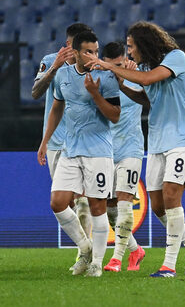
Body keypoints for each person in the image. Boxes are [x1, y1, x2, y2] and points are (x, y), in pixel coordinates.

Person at [85, 22, 185, 278]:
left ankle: (169, 266)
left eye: (131, 47)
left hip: (182, 138)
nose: (129, 53)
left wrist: (109, 66)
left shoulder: (176, 58)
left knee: (172, 196)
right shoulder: (146, 67)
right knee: (159, 206)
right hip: (158, 140)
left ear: (143, 43)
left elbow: (148, 79)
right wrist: (122, 84)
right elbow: (147, 97)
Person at [37, 30, 121, 277]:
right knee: (58, 202)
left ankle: (96, 263)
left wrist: (95, 94)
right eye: (88, 51)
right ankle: (85, 248)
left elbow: (115, 115)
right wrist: (45, 141)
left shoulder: (105, 76)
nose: (94, 56)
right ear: (74, 52)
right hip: (70, 150)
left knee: (97, 206)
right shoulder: (62, 74)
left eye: (96, 51)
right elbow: (56, 108)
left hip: (98, 151)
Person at [32, 23, 94, 263]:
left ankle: (84, 255)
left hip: (84, 142)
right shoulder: (50, 60)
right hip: (58, 143)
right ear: (69, 46)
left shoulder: (92, 67)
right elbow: (36, 92)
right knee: (63, 201)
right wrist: (54, 68)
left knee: (84, 200)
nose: (86, 53)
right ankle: (85, 245)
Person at [100, 42, 146, 272]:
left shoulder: (135, 74)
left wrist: (132, 74)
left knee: (125, 203)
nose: (116, 69)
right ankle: (135, 250)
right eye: (111, 66)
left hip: (131, 149)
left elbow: (148, 98)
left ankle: (116, 259)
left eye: (119, 65)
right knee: (110, 208)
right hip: (106, 151)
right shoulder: (97, 81)